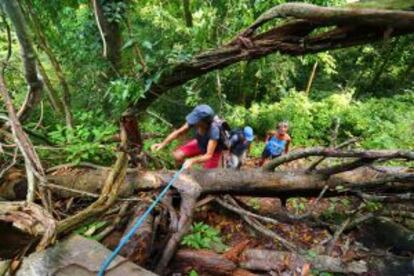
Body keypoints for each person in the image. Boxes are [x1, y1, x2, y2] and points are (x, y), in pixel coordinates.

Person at [151, 104, 224, 169]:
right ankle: (182, 175)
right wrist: (162, 144)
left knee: (207, 176)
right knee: (177, 156)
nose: (192, 121)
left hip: (213, 151)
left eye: (196, 119)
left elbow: (208, 155)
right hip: (200, 143)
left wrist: (192, 160)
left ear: (203, 122)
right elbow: (178, 132)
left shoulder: (214, 130)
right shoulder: (195, 122)